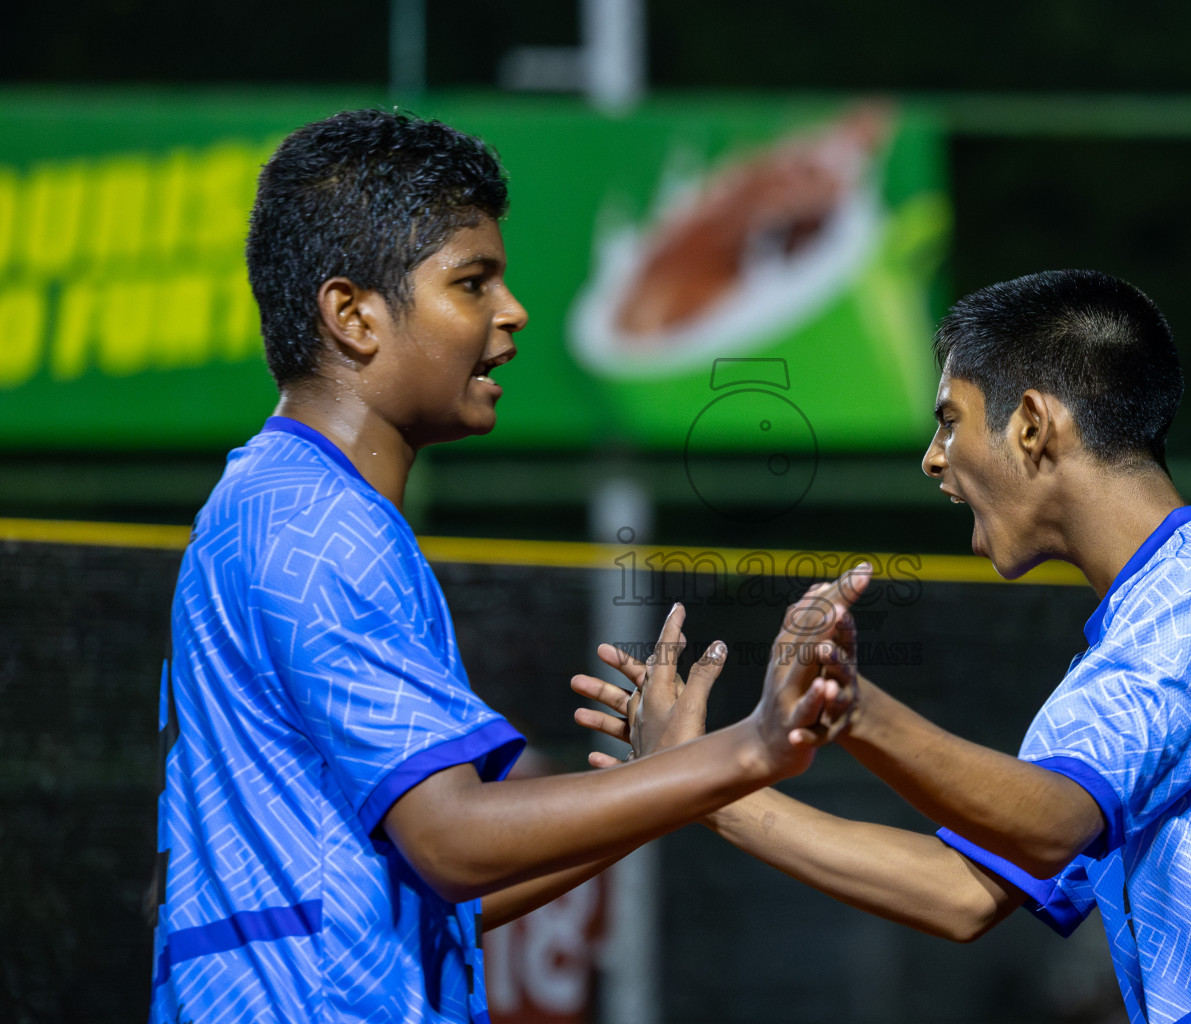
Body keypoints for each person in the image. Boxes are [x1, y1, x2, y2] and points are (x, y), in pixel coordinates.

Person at [574, 270, 1191, 1023]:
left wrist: (850, 704)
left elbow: (1050, 823)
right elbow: (959, 892)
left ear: (1033, 426)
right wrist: (707, 785)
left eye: (950, 420)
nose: (932, 459)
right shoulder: (1135, 643)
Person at [148, 108, 858, 1024]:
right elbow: (451, 841)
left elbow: (445, 890)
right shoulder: (315, 524)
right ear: (352, 315)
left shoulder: (277, 502)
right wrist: (750, 746)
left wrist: (660, 781)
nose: (511, 311)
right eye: (471, 282)